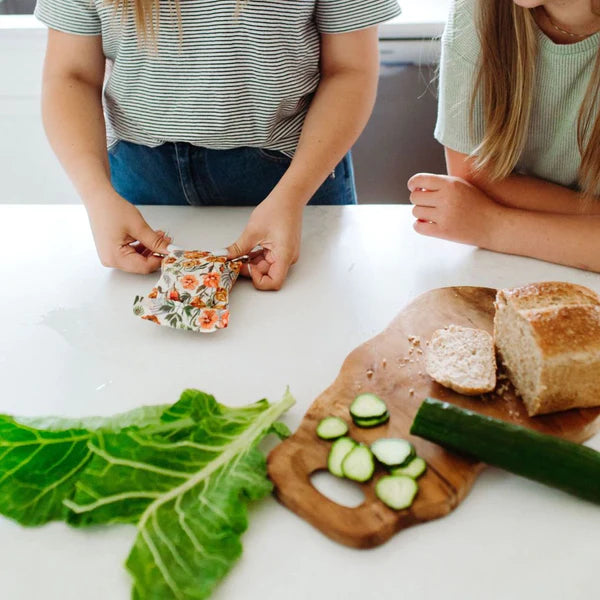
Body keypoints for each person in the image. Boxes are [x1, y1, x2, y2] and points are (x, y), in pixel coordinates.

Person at [35, 0, 400, 288]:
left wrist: (291, 197)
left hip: (291, 179)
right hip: (139, 187)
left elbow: (350, 70)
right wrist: (98, 197)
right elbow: (72, 75)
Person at [408, 0, 600, 272]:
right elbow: (472, 175)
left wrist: (491, 225)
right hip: (515, 267)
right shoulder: (476, 11)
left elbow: (477, 200)